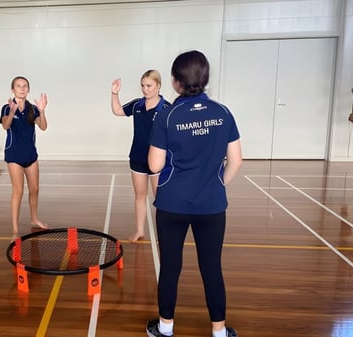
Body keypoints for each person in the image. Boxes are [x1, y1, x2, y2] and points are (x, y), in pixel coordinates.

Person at [146, 50, 242, 337]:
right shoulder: (223, 113)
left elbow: (154, 164)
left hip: (172, 204)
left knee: (171, 267)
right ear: (205, 78)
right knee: (212, 268)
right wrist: (217, 184)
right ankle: (219, 331)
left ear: (175, 82)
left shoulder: (167, 115)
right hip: (212, 206)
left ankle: (165, 328)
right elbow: (236, 160)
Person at [110, 70, 171, 243]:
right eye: (143, 86)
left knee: (162, 199)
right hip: (137, 157)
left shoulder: (167, 108)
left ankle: (165, 234)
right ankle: (139, 230)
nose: (145, 89)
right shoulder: (137, 105)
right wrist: (114, 92)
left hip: (158, 161)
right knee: (139, 195)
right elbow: (117, 110)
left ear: (158, 86)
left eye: (149, 86)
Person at [0, 76, 49, 240]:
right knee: (18, 191)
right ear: (13, 90)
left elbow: (43, 127)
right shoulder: (7, 108)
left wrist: (42, 111)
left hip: (30, 155)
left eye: (25, 86)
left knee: (34, 190)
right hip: (14, 155)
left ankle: (34, 218)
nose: (22, 88)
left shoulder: (32, 108)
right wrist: (13, 111)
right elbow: (5, 126)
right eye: (18, 86)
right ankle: (14, 230)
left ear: (28, 89)